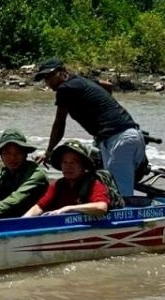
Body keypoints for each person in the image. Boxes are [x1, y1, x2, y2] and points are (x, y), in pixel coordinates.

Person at [34, 57, 147, 201]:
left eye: (50, 75)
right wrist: (103, 108)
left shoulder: (65, 89)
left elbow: (59, 123)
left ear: (62, 72)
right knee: (108, 184)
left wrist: (49, 152)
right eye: (45, 78)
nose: (48, 81)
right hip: (121, 136)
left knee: (118, 195)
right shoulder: (81, 81)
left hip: (119, 139)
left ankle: (128, 221)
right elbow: (108, 86)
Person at [25, 139, 124, 218]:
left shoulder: (93, 183)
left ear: (83, 165)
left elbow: (101, 207)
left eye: (74, 162)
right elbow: (39, 206)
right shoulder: (56, 185)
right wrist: (23, 220)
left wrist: (67, 209)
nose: (68, 166)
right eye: (65, 162)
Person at [0, 128, 51, 219]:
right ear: (1, 156)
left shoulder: (36, 174)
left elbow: (16, 198)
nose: (12, 158)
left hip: (33, 221)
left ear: (25, 154)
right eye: (7, 153)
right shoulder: (0, 174)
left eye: (18, 152)